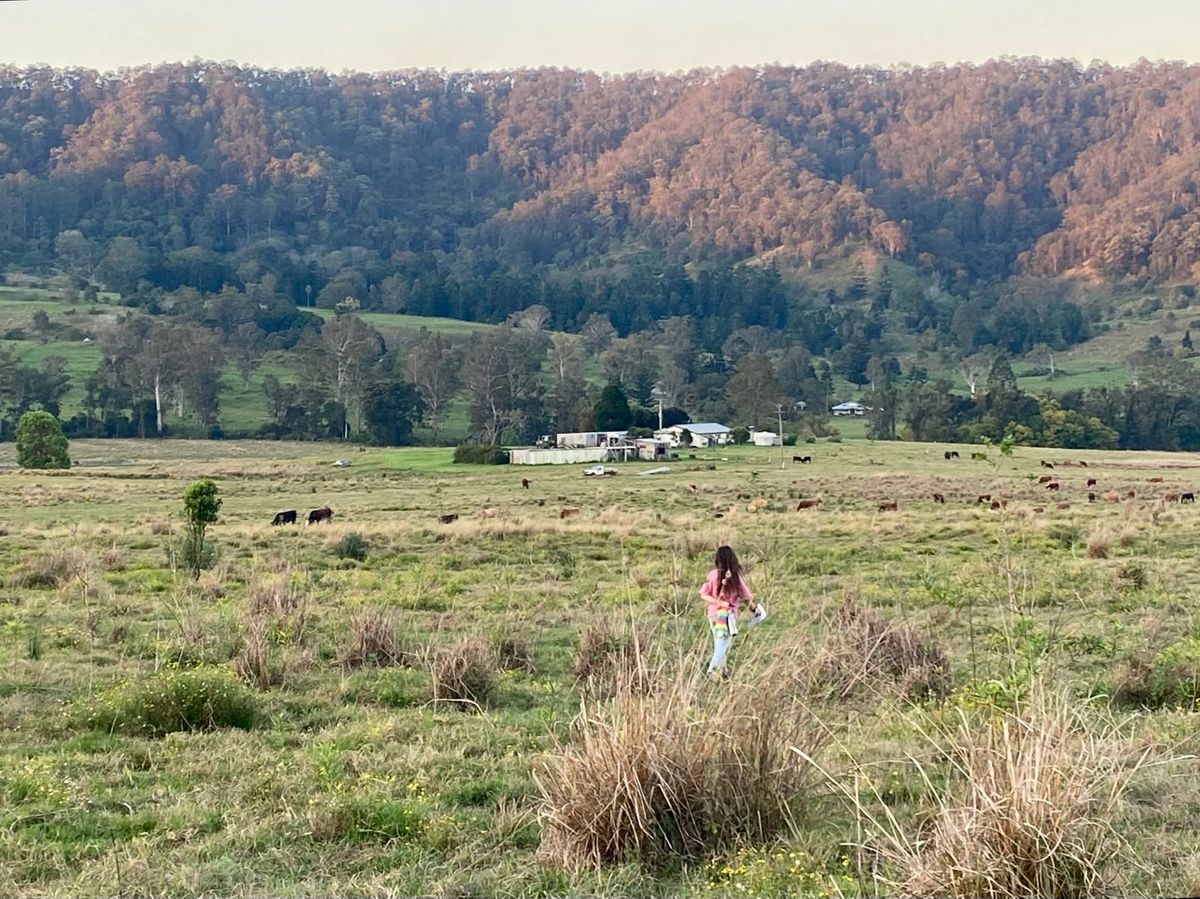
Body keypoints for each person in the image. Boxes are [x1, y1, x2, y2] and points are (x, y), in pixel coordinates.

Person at [700, 545, 767, 678]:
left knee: (718, 642)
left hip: (713, 614)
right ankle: (711, 672)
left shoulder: (713, 575)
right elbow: (746, 597)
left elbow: (703, 594)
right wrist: (755, 610)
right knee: (723, 644)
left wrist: (716, 602)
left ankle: (723, 671)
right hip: (727, 616)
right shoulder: (735, 578)